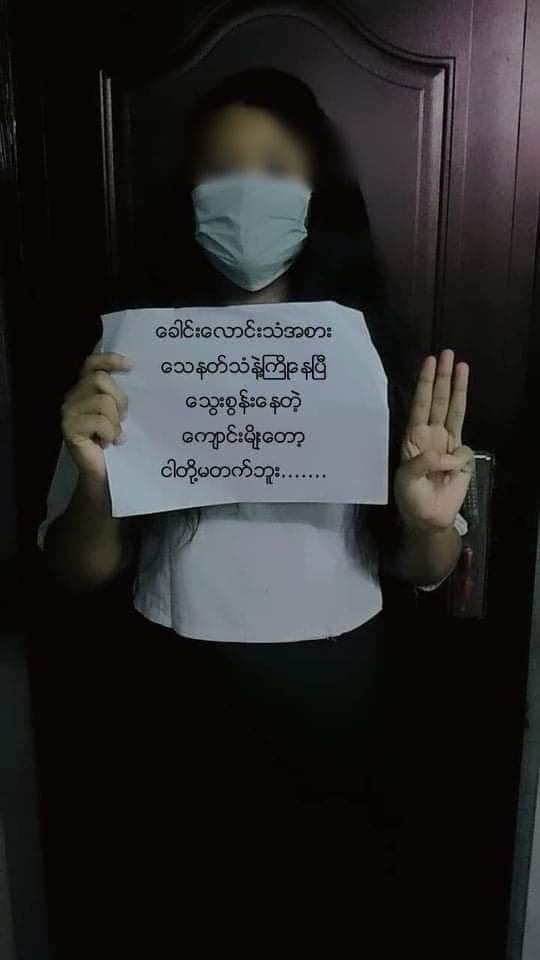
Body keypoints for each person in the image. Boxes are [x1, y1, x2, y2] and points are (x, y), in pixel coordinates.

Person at [37, 69, 473, 942]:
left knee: (325, 912)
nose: (247, 194)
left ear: (317, 194)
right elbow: (76, 568)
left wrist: (428, 525)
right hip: (174, 687)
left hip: (337, 685)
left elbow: (423, 568)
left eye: (274, 168)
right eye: (222, 169)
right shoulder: (132, 351)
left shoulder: (366, 349)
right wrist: (95, 489)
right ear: (188, 194)